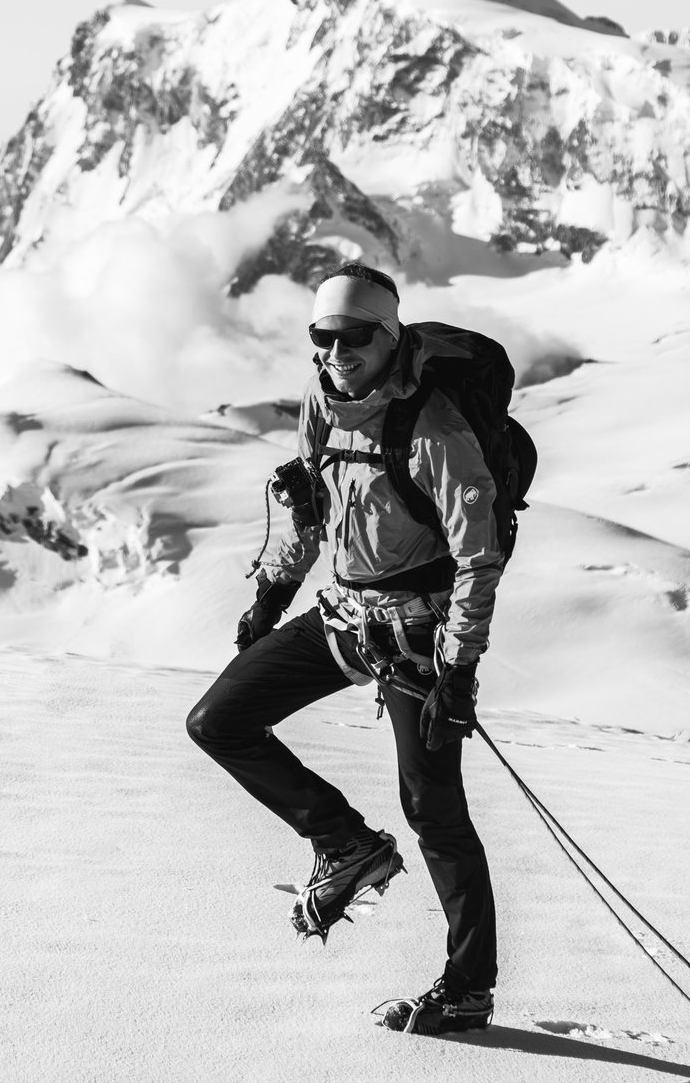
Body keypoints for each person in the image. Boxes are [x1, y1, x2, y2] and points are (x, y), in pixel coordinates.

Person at [186, 261, 505, 1036]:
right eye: (321, 338)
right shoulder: (322, 406)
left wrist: (456, 672)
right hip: (346, 614)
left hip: (417, 634)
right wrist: (271, 593)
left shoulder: (433, 429)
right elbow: (310, 507)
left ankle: (467, 987)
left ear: (388, 337)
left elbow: (477, 558)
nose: (334, 352)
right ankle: (345, 844)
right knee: (217, 721)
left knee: (433, 809)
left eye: (351, 337)